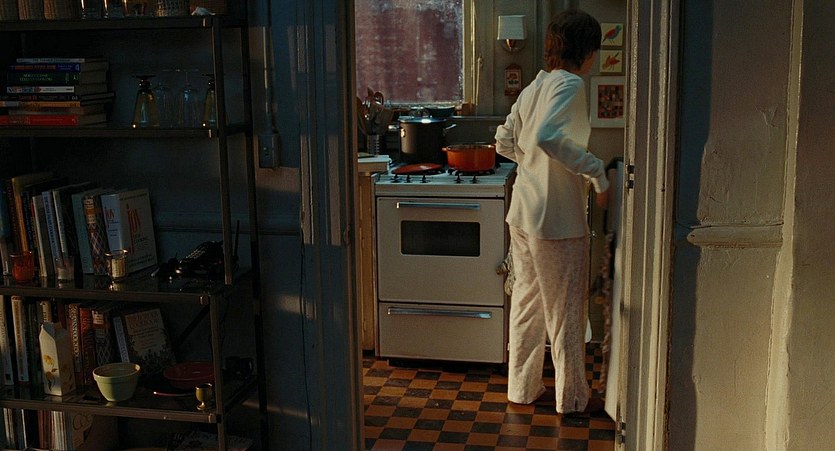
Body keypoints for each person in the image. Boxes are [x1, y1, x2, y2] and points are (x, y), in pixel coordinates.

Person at [494, 9, 610, 415]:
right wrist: (596, 172)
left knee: (527, 304)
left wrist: (532, 166)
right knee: (566, 311)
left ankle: (522, 389)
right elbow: (546, 137)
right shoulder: (570, 84)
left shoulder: (536, 85)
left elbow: (503, 140)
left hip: (524, 213)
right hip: (556, 220)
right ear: (588, 50)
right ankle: (573, 398)